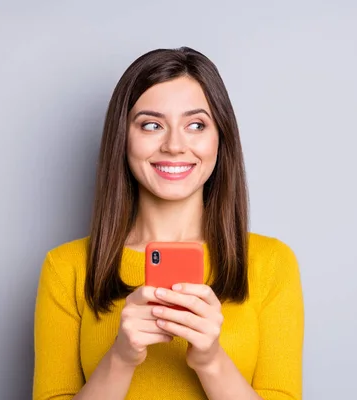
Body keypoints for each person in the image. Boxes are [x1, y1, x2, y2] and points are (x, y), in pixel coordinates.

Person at [33, 46, 304, 400]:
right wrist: (121, 357)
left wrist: (210, 360)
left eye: (195, 125)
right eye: (151, 124)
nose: (175, 145)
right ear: (123, 138)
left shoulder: (271, 264)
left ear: (220, 138)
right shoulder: (66, 268)